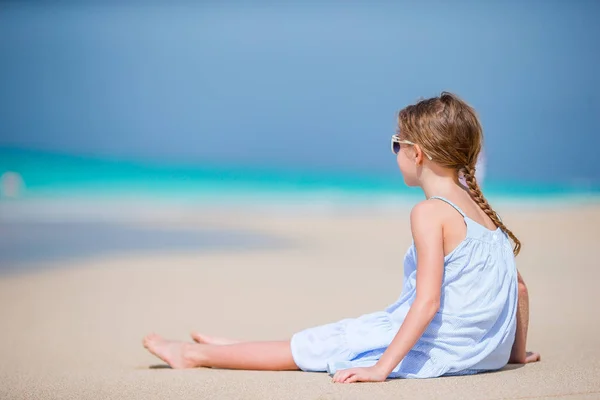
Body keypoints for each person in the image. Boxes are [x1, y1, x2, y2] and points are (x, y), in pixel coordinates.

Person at [143, 92, 540, 383]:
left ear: (417, 154)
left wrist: (380, 369)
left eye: (396, 144)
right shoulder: (485, 216)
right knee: (328, 338)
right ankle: (230, 346)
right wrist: (514, 354)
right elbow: (519, 291)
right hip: (482, 352)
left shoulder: (429, 213)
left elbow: (428, 301)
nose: (395, 151)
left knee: (314, 347)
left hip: (438, 350)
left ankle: (192, 353)